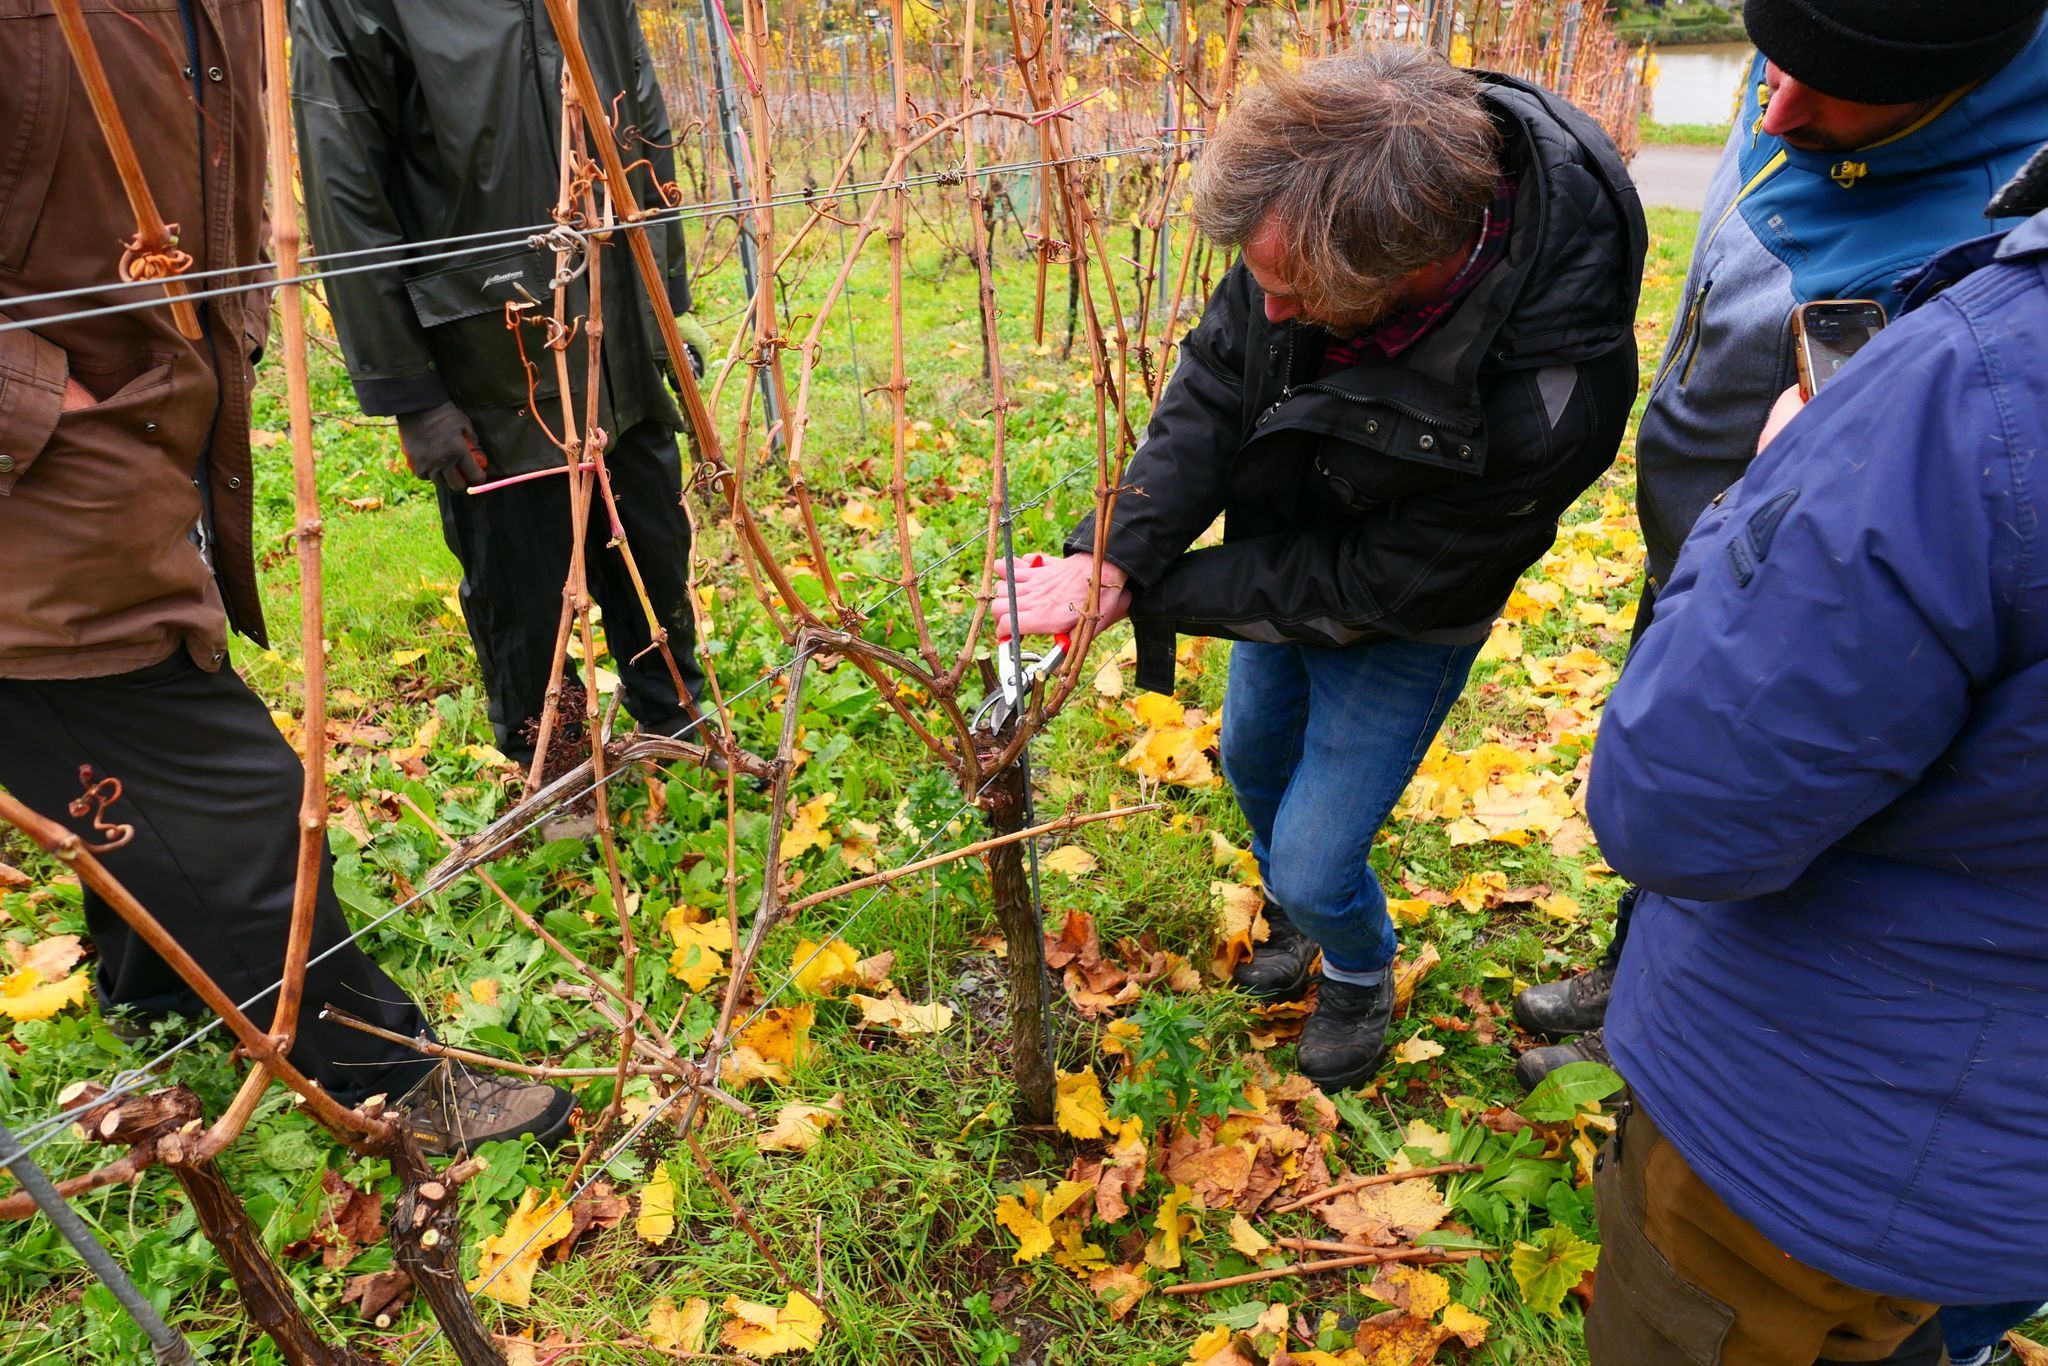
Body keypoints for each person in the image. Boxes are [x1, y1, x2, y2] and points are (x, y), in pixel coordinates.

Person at [994, 44, 1645, 1091]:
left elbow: (1375, 586)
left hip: (1407, 611)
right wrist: (1116, 558)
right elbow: (1218, 382)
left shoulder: (1548, 398)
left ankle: (1356, 966)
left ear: (1411, 270)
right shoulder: (1307, 209)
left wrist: (1158, 595)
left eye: (1293, 293)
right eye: (1261, 282)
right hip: (1287, 552)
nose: (1271, 311)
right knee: (1253, 760)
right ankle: (1307, 918)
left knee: (1311, 853)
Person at [0, 0, 567, 1152]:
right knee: (220, 782)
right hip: (41, 482)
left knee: (115, 737)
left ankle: (157, 989)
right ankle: (378, 1074)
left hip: (137, 441)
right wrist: (34, 398)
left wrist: (230, 331)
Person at [1513, 0, 2048, 1091]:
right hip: (1696, 537)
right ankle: (1631, 962)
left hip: (1807, 573)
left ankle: (1662, 1024)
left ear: (1957, 85)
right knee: (1678, 722)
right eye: (1773, 62)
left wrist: (1810, 465)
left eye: (1829, 90)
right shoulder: (1811, 70)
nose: (1774, 110)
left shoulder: (1995, 239)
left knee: (1741, 783)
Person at [1581, 144, 2048, 1366]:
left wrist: (1768, 492)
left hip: (1818, 1145)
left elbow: (1675, 810)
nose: (1776, 110)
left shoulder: (1980, 386)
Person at [292, 0, 705, 775]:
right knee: (521, 577)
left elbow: (639, 104)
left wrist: (663, 301)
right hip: (489, 339)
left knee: (651, 529)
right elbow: (343, 174)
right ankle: (554, 760)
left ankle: (676, 718)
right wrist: (408, 388)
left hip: (617, 310)